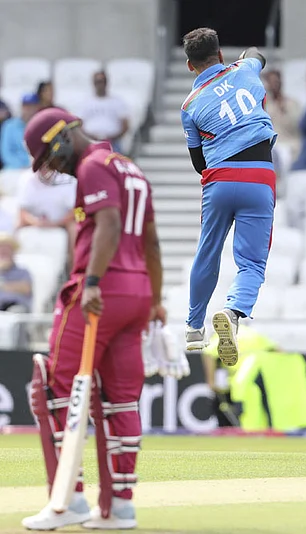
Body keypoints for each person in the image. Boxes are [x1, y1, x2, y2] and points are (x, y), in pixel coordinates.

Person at [20, 107, 164, 530]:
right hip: (137, 291)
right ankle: (120, 507)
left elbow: (110, 223)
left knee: (52, 389)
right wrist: (155, 300)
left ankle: (67, 502)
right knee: (119, 399)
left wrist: (95, 282)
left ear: (61, 137)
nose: (51, 167)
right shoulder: (129, 168)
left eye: (48, 155)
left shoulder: (93, 166)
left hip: (100, 291)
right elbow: (151, 242)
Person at [179, 28, 278, 366]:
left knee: (207, 252)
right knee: (252, 264)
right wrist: (247, 58)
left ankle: (194, 329)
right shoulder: (245, 69)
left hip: (219, 181)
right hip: (259, 178)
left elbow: (199, 163)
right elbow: (256, 52)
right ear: (220, 55)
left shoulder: (190, 105)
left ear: (190, 66)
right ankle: (232, 313)